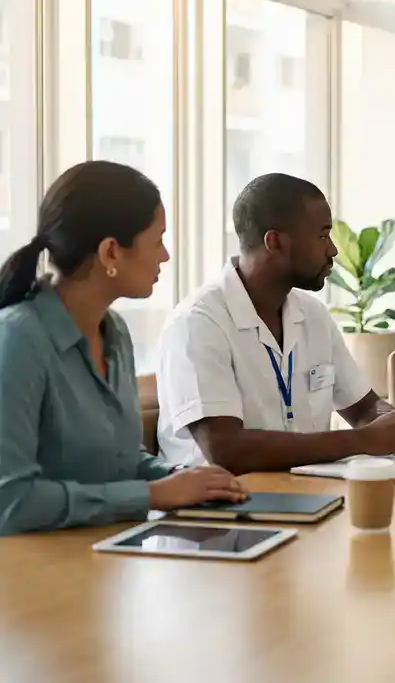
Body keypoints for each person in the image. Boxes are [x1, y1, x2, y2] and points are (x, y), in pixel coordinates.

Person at [0, 161, 247, 536]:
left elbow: (121, 462)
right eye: (158, 240)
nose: (165, 256)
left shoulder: (114, 333)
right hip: (35, 577)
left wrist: (185, 479)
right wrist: (151, 495)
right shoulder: (18, 340)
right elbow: (11, 501)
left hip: (108, 561)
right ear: (111, 252)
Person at [157, 173, 395, 473]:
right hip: (218, 507)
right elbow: (226, 451)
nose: (333, 249)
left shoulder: (313, 315)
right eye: (323, 235)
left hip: (306, 492)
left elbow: (364, 409)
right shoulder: (197, 323)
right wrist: (361, 440)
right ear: (275, 242)